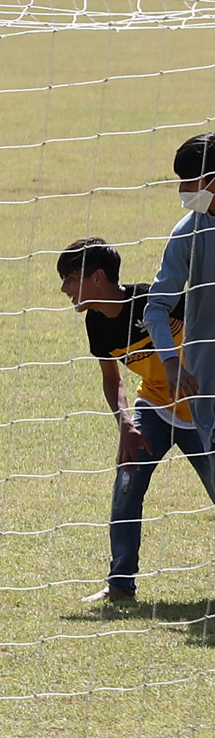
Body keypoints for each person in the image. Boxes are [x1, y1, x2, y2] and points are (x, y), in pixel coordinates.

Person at [56, 236, 210, 605]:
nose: (64, 289)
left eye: (69, 278)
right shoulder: (97, 324)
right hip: (155, 408)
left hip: (205, 411)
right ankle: (120, 584)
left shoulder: (155, 302)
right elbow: (113, 379)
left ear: (97, 277)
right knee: (127, 486)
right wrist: (125, 422)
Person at [144, 131, 215, 498]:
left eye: (189, 180)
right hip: (209, 384)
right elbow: (155, 307)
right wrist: (171, 361)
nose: (183, 190)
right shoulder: (189, 233)